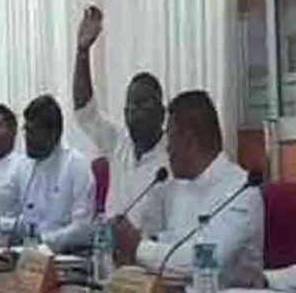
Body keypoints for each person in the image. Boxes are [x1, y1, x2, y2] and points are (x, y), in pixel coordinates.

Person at [112, 91, 264, 288]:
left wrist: (138, 249)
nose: (167, 149)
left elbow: (201, 261)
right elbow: (164, 239)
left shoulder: (241, 190)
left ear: (189, 141)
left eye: (170, 139)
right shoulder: (176, 186)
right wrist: (133, 243)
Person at [73, 6, 168, 234]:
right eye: (130, 106)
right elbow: (85, 111)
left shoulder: (175, 158)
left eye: (143, 104)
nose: (134, 111)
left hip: (151, 252)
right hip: (109, 249)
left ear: (162, 112)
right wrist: (82, 52)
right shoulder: (118, 141)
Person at [6, 95, 94, 252]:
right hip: (29, 255)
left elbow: (83, 229)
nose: (27, 138)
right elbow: (17, 217)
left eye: (33, 131)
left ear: (55, 133)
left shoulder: (75, 164)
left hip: (66, 255)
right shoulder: (24, 166)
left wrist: (45, 241)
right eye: (26, 130)